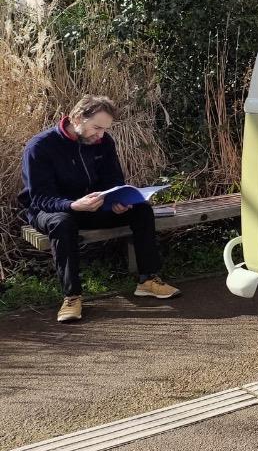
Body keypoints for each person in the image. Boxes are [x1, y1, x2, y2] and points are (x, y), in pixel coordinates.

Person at [20, 95, 180, 323]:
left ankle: (147, 280)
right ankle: (72, 296)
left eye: (105, 129)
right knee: (62, 223)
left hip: (93, 205)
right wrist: (73, 205)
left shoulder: (104, 142)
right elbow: (40, 198)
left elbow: (113, 180)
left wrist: (118, 201)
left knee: (141, 209)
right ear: (77, 118)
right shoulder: (40, 147)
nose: (101, 135)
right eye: (97, 128)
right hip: (50, 210)